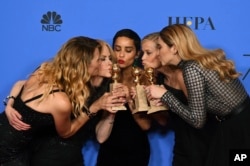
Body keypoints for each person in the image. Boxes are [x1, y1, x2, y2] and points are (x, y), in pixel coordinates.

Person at [1, 37, 124, 166]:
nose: (104, 63)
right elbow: (66, 132)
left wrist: (10, 104)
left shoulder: (44, 70)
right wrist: (94, 107)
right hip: (8, 152)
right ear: (84, 64)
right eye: (99, 59)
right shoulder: (61, 101)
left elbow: (21, 84)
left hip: (19, 144)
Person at [145, 24, 250, 166]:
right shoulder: (194, 64)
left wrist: (165, 95)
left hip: (239, 127)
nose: (157, 53)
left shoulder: (191, 68)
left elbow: (197, 120)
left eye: (160, 47)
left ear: (174, 48)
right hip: (234, 124)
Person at [142, 32, 216, 166]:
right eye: (142, 53)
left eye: (148, 53)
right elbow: (164, 121)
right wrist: (149, 104)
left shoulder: (183, 75)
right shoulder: (159, 80)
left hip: (202, 143)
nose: (143, 58)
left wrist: (168, 99)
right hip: (181, 143)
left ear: (160, 52)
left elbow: (201, 117)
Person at [95, 29, 151, 166]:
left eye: (128, 50)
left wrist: (129, 100)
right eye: (117, 49)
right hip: (108, 146)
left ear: (137, 53)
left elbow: (146, 125)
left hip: (136, 148)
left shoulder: (143, 80)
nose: (121, 54)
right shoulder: (104, 78)